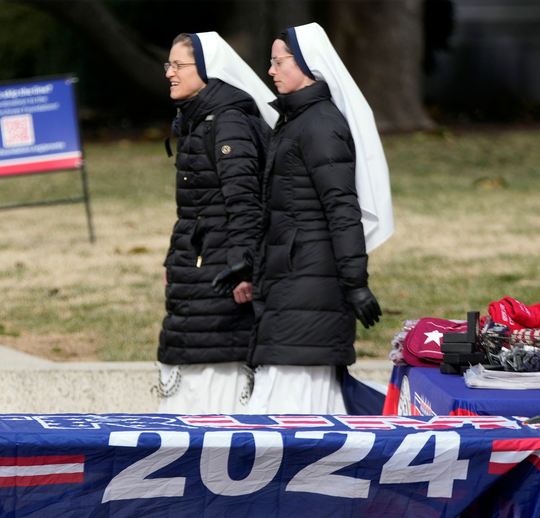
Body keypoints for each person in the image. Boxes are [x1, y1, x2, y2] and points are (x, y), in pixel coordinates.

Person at [214, 23, 392, 414]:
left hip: (310, 283)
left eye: (279, 62)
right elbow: (285, 209)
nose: (271, 71)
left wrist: (356, 284)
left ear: (309, 67)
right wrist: (251, 261)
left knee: (297, 401)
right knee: (285, 394)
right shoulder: (296, 120)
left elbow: (342, 209)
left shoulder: (320, 125)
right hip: (292, 279)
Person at [156, 32, 277, 414]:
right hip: (198, 262)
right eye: (168, 65)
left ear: (206, 70)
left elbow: (244, 201)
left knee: (216, 356)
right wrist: (172, 260)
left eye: (179, 66)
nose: (170, 74)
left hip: (222, 267)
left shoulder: (228, 123)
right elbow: (194, 209)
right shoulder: (199, 120)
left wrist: (245, 266)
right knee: (195, 347)